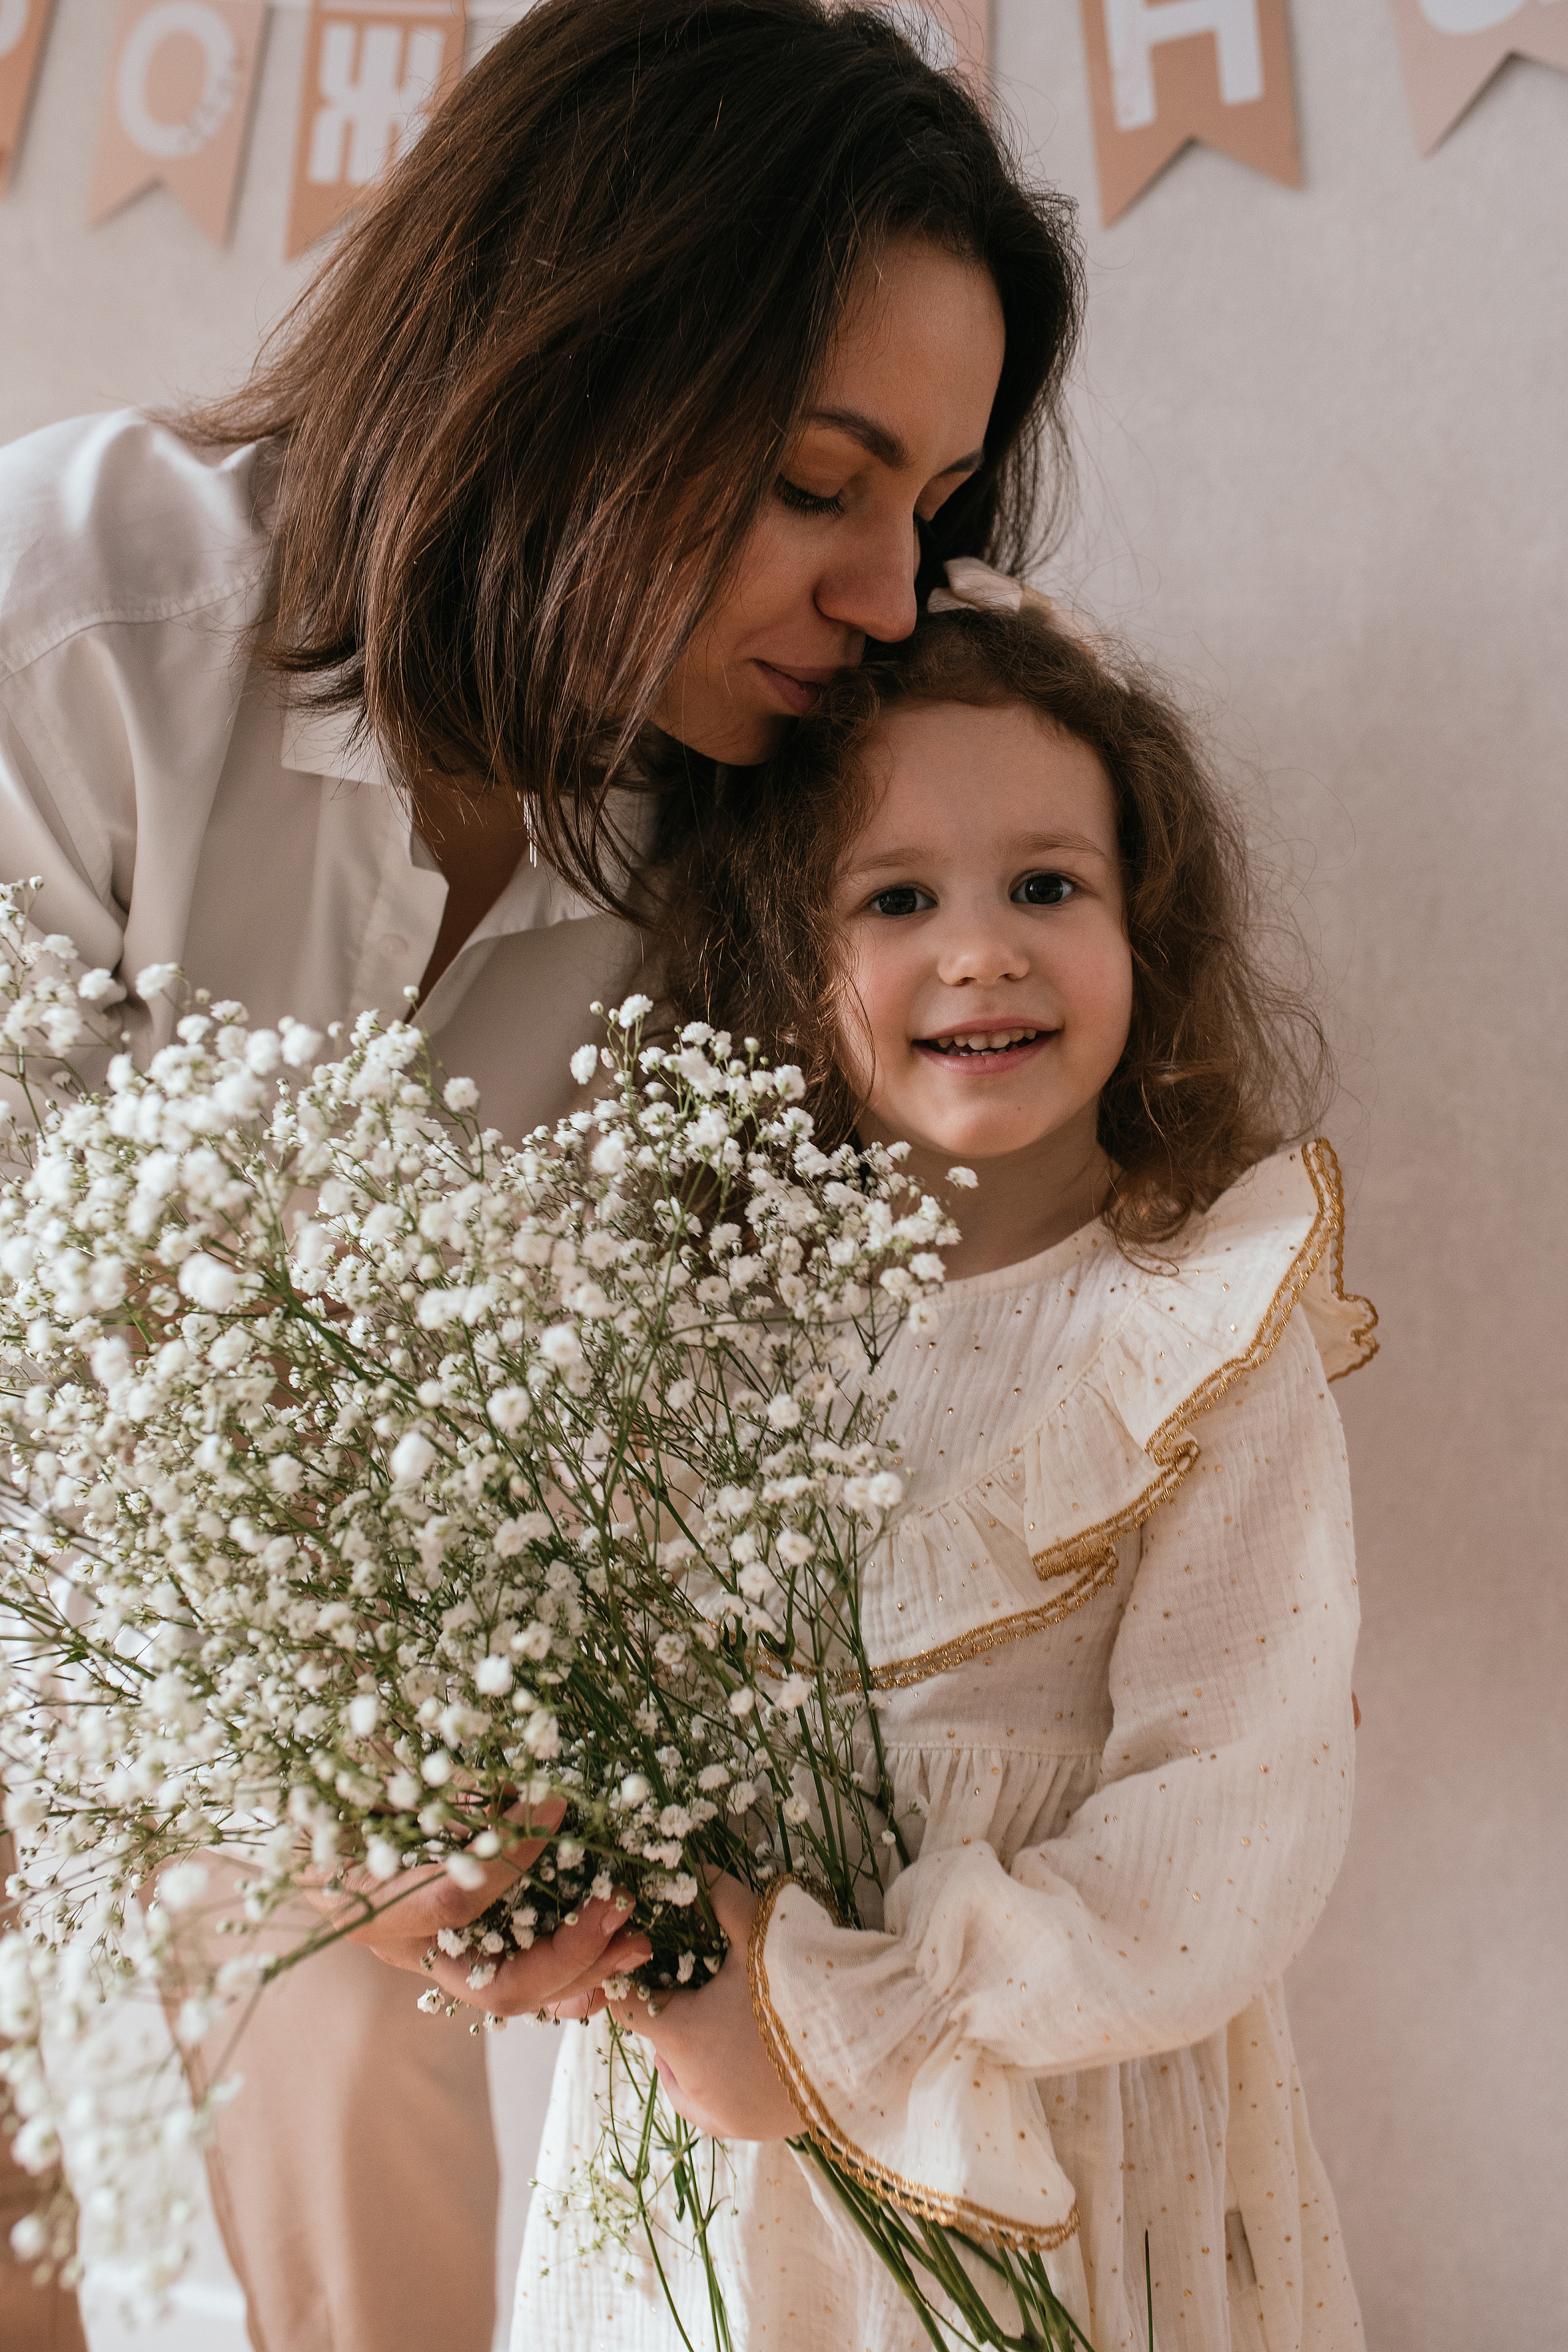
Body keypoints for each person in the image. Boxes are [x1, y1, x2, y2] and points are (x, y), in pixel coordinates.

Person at [0, 5, 1085, 2343]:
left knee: (379, 1968)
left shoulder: (757, 837)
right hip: (73, 1633)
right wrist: (301, 1759)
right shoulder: (79, 624)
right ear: (569, 364)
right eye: (822, 481)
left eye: (933, 507)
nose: (892, 594)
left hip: (321, 1720)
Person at [460, 592, 1374, 2348]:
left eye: (1048, 885)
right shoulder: (680, 1338)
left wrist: (887, 2012)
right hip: (721, 2145)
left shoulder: (1202, 1333)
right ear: (787, 968)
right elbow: (578, 1701)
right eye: (898, 899)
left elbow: (1233, 1802)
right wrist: (627, 1933)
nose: (983, 950)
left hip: (1063, 2131)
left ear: (1143, 923)